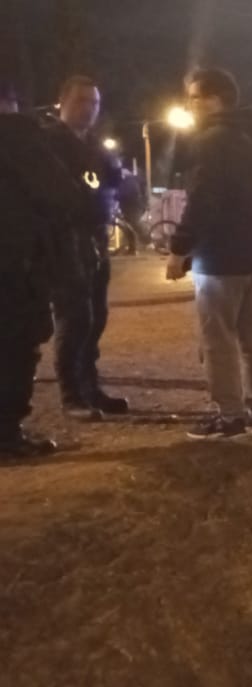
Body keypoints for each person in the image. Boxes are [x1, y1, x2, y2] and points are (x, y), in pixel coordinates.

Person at [167, 68, 252, 439]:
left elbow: (203, 199)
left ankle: (230, 416)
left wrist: (179, 247)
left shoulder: (210, 142)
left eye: (194, 98)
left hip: (220, 258)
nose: (190, 105)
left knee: (218, 340)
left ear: (214, 100)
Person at [0, 80, 87, 457]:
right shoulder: (17, 136)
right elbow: (61, 194)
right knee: (16, 344)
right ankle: (6, 433)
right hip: (16, 263)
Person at [43, 76, 128, 420]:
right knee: (75, 316)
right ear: (62, 103)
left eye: (94, 103)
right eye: (81, 101)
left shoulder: (95, 145)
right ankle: (72, 395)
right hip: (66, 240)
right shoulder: (49, 142)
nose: (88, 109)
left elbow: (110, 184)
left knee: (96, 316)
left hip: (95, 237)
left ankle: (90, 388)